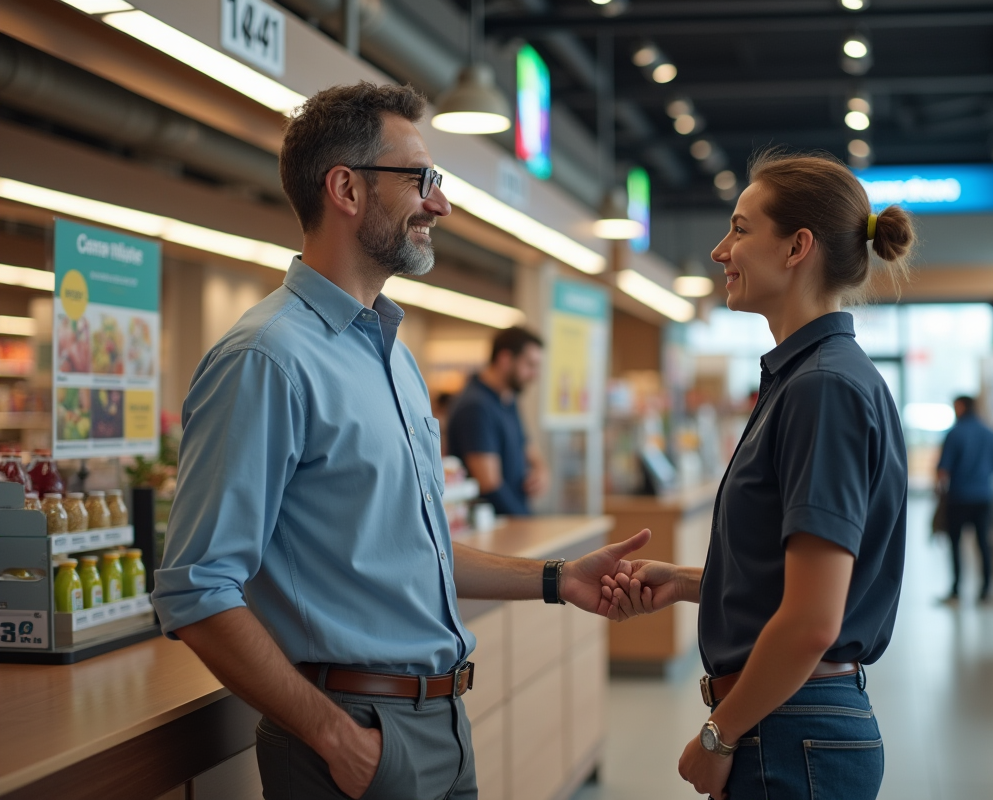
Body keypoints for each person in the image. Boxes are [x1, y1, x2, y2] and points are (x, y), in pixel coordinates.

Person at [150, 82, 649, 800]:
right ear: (346, 189)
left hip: (442, 722)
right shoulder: (266, 360)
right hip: (352, 735)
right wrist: (334, 737)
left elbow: (416, 551)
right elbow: (196, 588)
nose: (439, 204)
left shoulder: (392, 355)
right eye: (422, 180)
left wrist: (556, 578)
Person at [604, 150, 915, 800]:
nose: (721, 250)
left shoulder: (822, 389)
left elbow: (812, 622)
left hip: (789, 727)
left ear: (798, 246)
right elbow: (798, 579)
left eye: (741, 229)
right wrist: (693, 583)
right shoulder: (807, 379)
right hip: (792, 719)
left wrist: (719, 734)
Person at [447, 327, 548, 515]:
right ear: (505, 359)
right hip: (495, 527)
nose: (535, 375)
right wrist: (527, 521)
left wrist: (541, 470)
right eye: (530, 365)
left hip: (515, 520)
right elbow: (489, 486)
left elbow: (526, 445)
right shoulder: (476, 407)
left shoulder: (507, 399)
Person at [936, 394, 993, 602]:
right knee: (984, 543)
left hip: (959, 496)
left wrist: (938, 493)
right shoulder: (991, 434)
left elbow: (943, 470)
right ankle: (986, 589)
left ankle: (956, 589)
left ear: (962, 407)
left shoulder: (954, 434)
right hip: (984, 495)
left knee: (955, 543)